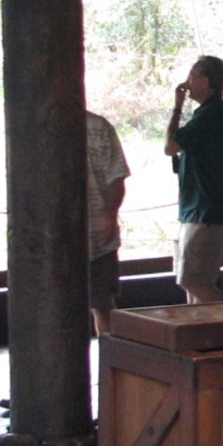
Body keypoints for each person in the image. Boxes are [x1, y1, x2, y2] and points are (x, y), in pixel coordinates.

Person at [164, 55, 223, 304]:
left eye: (191, 77)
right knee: (191, 281)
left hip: (206, 210)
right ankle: (199, 327)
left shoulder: (211, 114)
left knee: (194, 281)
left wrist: (177, 107)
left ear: (205, 82)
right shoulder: (207, 113)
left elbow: (171, 146)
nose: (186, 83)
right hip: (197, 208)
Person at [85, 109, 131, 334]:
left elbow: (116, 176)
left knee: (101, 303)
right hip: (54, 238)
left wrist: (108, 214)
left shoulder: (98, 127)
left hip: (95, 235)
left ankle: (110, 353)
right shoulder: (35, 127)